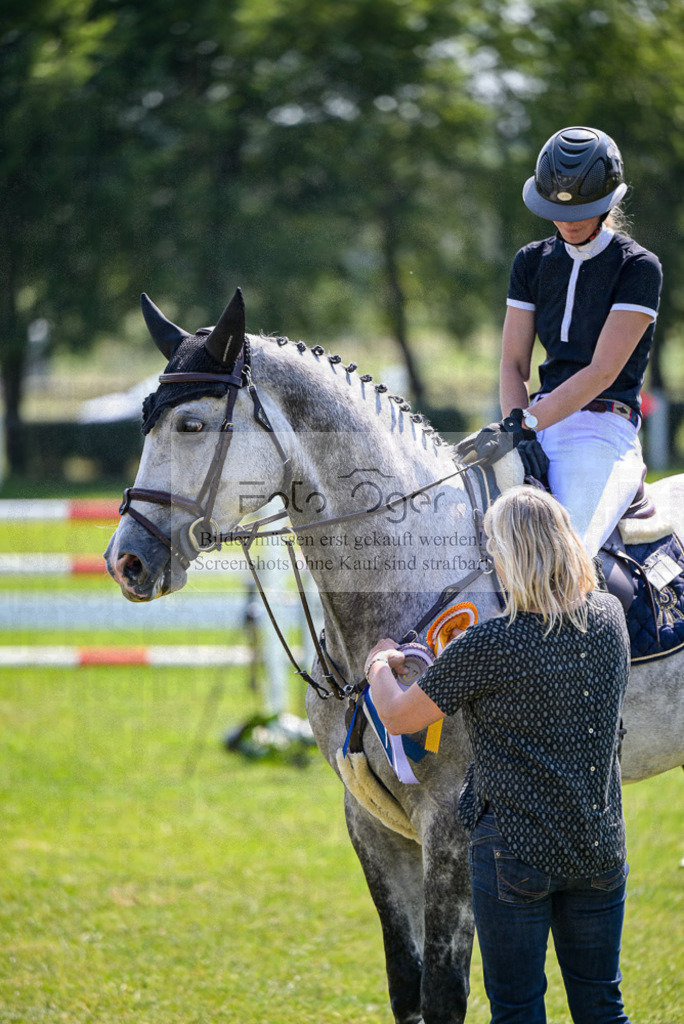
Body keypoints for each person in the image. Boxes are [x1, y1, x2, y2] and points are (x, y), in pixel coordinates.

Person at [363, 486, 632, 1024]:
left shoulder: (490, 645)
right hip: (600, 846)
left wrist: (378, 662)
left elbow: (396, 716)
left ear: (508, 557)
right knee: (602, 1004)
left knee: (516, 1009)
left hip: (514, 854)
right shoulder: (610, 617)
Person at [499, 125, 662, 557]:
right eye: (557, 208)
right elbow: (513, 364)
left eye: (582, 210)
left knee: (566, 555)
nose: (568, 221)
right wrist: (518, 431)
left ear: (608, 201)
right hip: (534, 421)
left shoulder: (638, 268)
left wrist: (530, 423)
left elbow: (602, 370)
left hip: (603, 429)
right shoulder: (531, 262)